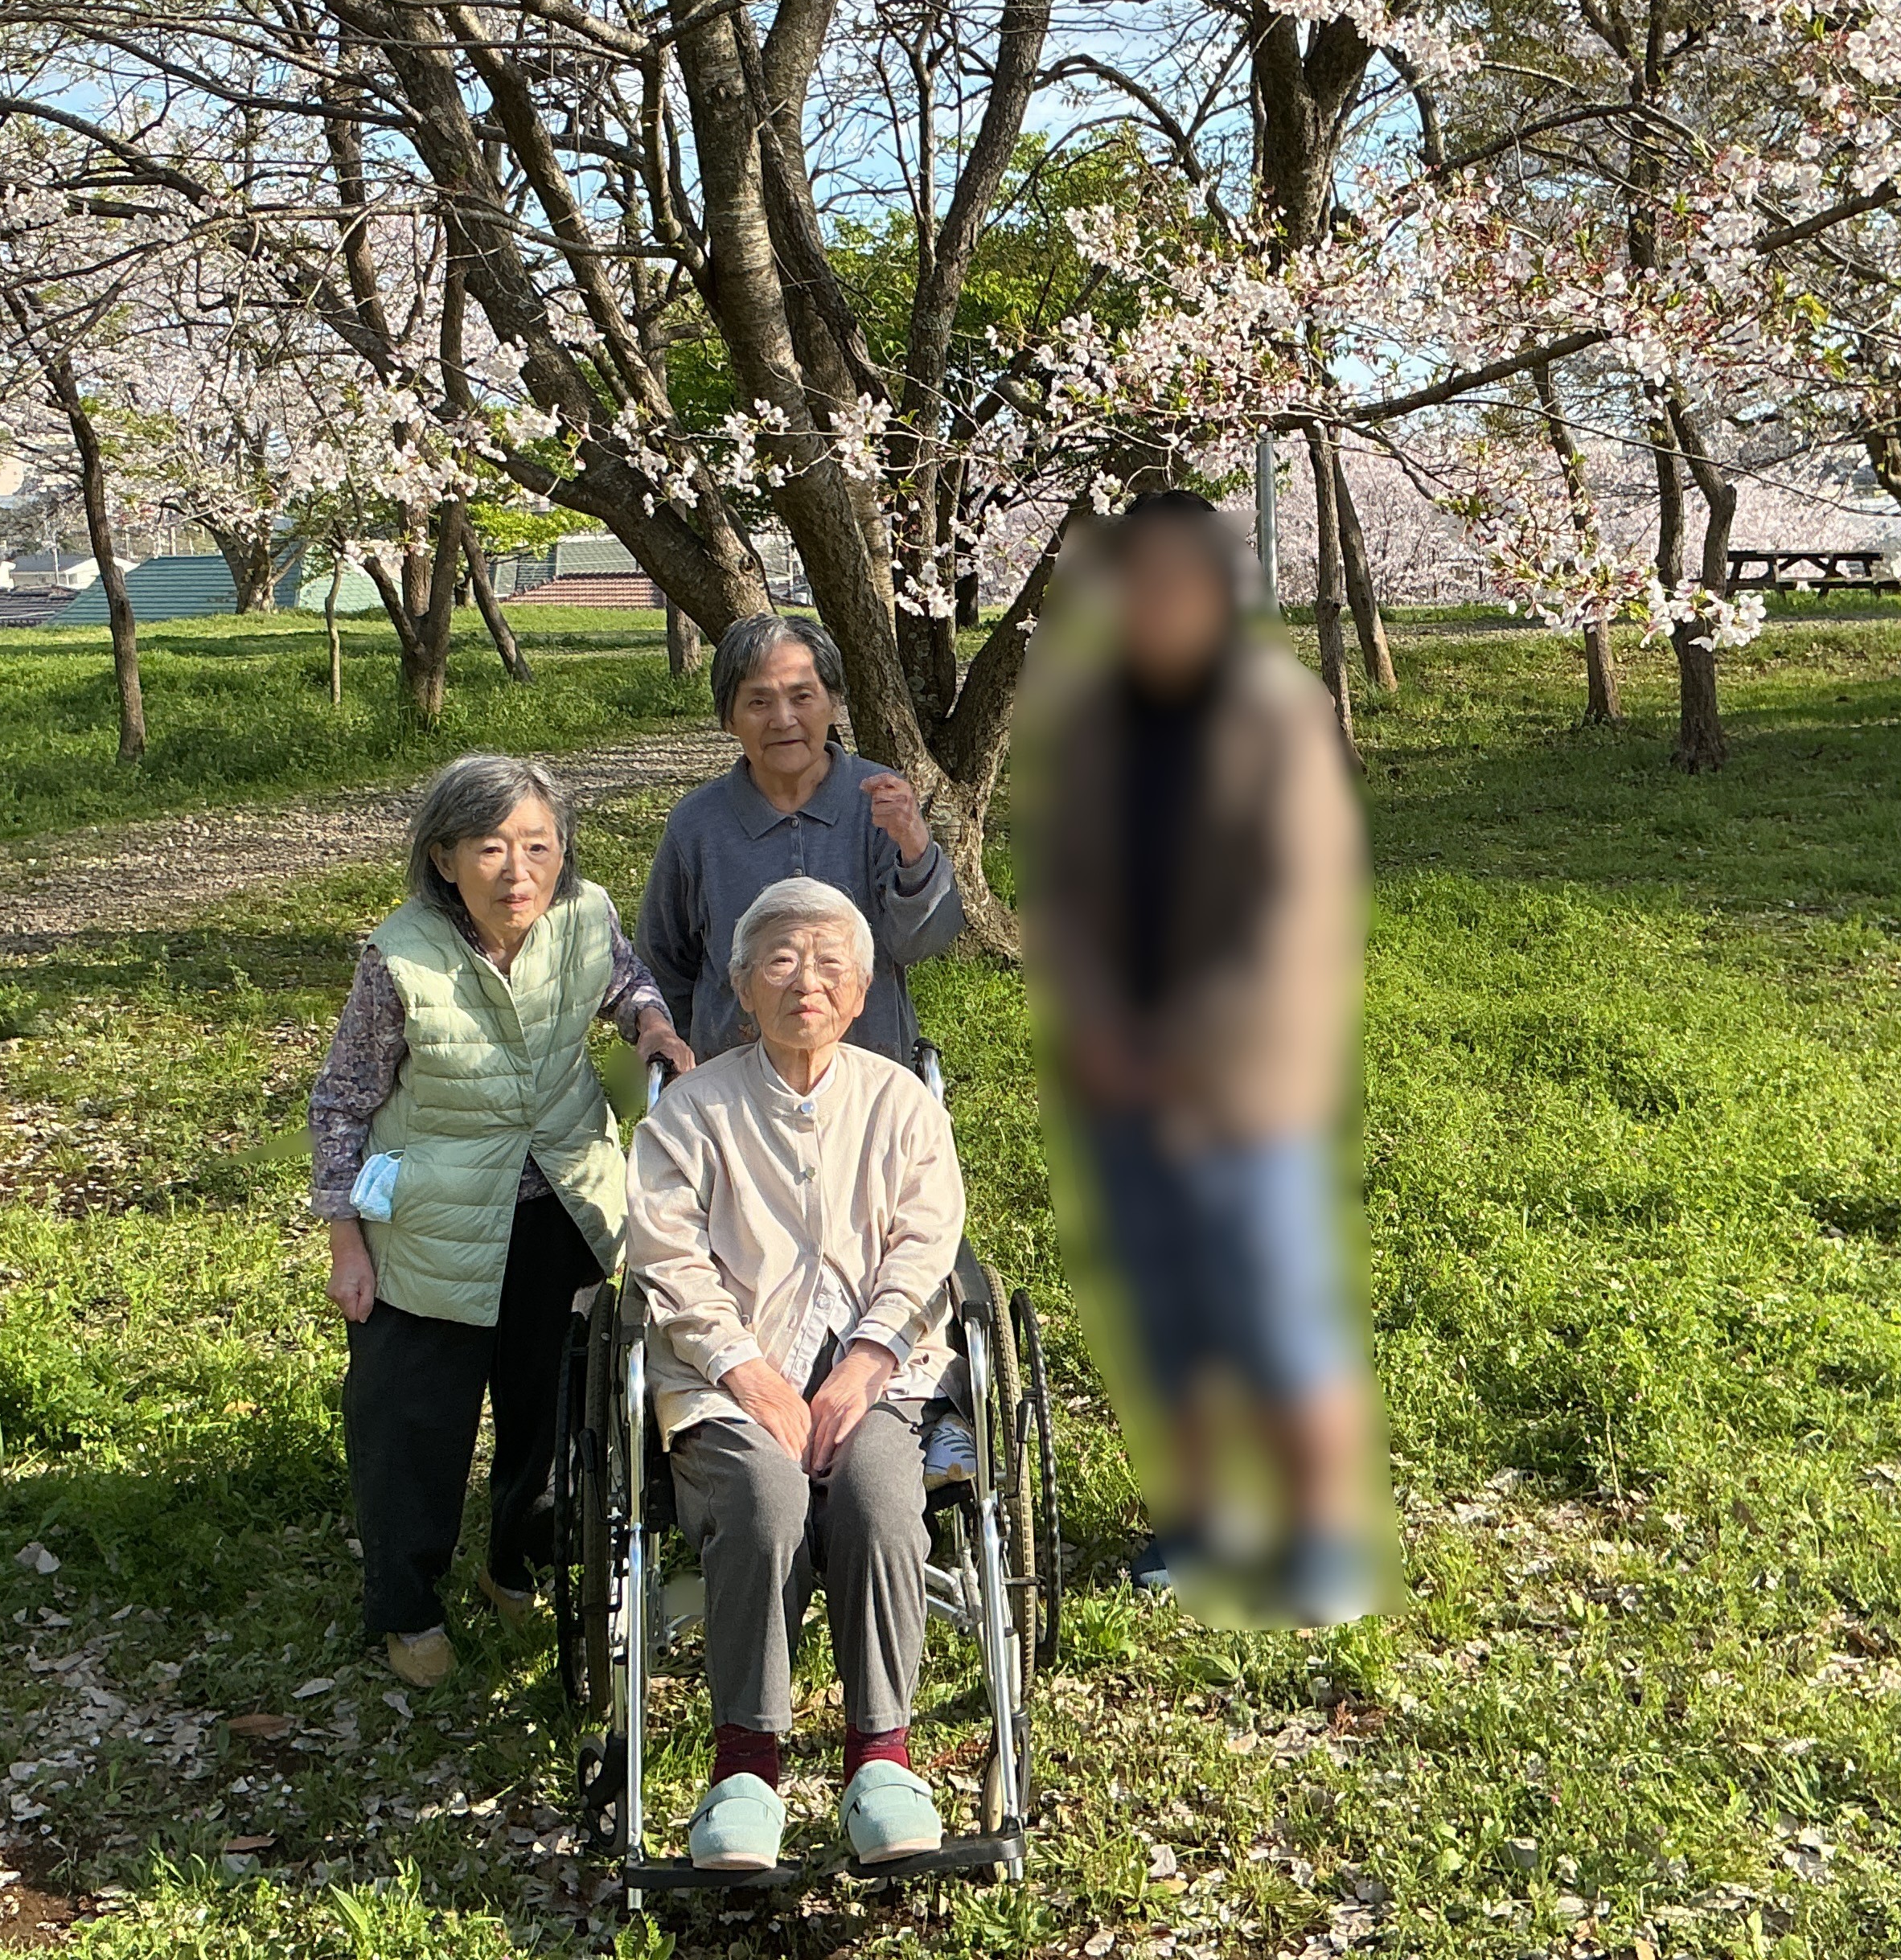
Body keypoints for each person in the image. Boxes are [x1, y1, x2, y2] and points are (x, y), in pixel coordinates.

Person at [1016, 490, 1376, 1625]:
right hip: (1117, 1075)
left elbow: (1299, 907)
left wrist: (1192, 1055)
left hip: (1248, 1079)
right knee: (1162, 1316)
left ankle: (1321, 1535)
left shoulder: (1280, 713)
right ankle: (1198, 1521)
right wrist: (1103, 1036)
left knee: (1274, 1308)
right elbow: (1062, 898)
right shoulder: (1092, 722)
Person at [309, 754, 694, 1688]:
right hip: (430, 1219)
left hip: (561, 1200)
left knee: (555, 1410)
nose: (518, 872)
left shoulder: (586, 916)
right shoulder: (397, 956)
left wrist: (652, 1026)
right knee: (410, 1422)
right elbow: (342, 1103)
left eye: (538, 846)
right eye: (490, 849)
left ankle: (512, 1562)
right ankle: (407, 1606)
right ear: (444, 860)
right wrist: (346, 1240)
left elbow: (628, 986)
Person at [625, 876, 965, 1872]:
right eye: (779, 958)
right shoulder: (692, 1112)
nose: (804, 980)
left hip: (881, 1381)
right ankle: (748, 1768)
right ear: (737, 991)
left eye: (828, 963)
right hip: (723, 1384)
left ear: (860, 994)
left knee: (878, 1492)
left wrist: (866, 1363)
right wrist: (752, 1376)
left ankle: (882, 1760)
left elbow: (927, 1243)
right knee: (768, 1497)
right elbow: (666, 1257)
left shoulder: (901, 1103)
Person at [639, 612, 965, 1071]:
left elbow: (920, 943)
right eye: (758, 702)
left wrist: (915, 849)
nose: (783, 718)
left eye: (802, 696)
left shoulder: (879, 802)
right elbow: (664, 961)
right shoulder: (698, 824)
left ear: (833, 703)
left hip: (866, 1073)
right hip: (734, 1081)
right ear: (728, 717)